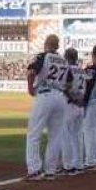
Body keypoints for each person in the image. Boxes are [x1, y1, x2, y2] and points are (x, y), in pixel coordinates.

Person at [23, 34, 68, 181]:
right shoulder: (64, 61)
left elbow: (31, 71)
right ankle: (50, 170)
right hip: (60, 97)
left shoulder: (43, 56)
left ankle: (35, 170)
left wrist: (30, 87)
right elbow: (69, 82)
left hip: (45, 95)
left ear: (46, 43)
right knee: (55, 136)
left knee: (34, 133)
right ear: (58, 46)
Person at [60, 47, 86, 175]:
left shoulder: (67, 69)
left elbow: (65, 87)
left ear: (66, 57)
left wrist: (72, 98)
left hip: (70, 103)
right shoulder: (82, 70)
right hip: (80, 104)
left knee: (66, 135)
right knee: (77, 136)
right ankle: (79, 164)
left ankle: (68, 165)